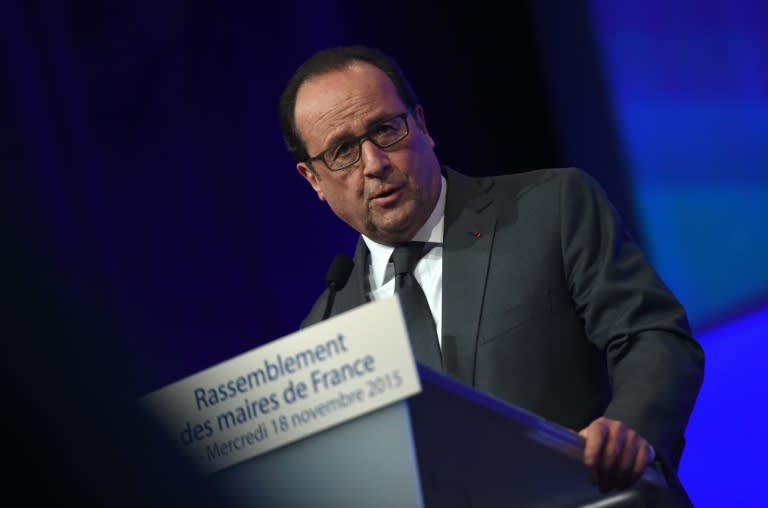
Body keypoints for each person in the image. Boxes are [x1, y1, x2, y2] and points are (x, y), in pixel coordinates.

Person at [278, 45, 704, 505]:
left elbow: (651, 334)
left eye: (385, 130)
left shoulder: (550, 208)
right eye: (343, 151)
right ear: (313, 180)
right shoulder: (326, 331)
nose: (375, 163)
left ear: (421, 125)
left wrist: (632, 426)